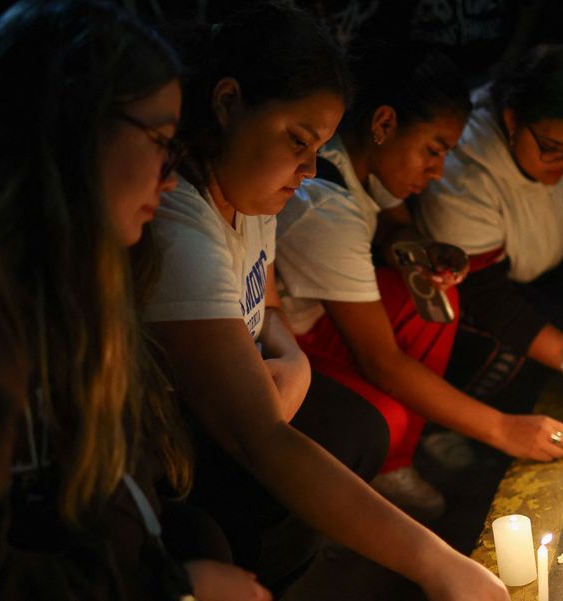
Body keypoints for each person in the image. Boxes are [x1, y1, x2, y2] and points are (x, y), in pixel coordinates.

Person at [0, 1, 267, 599]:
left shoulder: (65, 277)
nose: (171, 178)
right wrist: (171, 588)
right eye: (162, 142)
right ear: (75, 120)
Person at [145, 4, 508, 599]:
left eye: (319, 147)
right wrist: (440, 565)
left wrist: (294, 363)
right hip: (174, 444)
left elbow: (267, 303)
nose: (310, 169)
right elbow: (256, 433)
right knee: (295, 467)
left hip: (259, 383)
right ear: (229, 102)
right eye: (297, 140)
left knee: (359, 428)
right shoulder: (182, 223)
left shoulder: (250, 192)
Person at [275, 41, 563, 520]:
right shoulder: (325, 211)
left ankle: (408, 447)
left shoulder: (355, 159)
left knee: (436, 293)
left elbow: (397, 230)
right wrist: (503, 429)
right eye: (433, 151)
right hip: (290, 338)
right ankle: (385, 464)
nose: (436, 173)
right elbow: (382, 362)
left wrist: (424, 253)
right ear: (384, 124)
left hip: (323, 317)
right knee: (386, 416)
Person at [414, 44, 563, 387]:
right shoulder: (465, 170)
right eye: (551, 149)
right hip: (472, 294)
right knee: (511, 352)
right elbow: (487, 295)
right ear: (513, 119)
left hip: (549, 269)